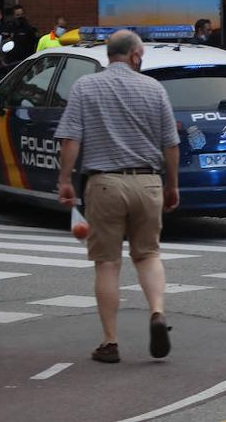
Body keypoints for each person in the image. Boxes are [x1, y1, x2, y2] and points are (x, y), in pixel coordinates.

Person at [55, 30, 181, 364]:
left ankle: (110, 342)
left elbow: (70, 138)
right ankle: (156, 312)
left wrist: (65, 180)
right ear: (136, 55)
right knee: (148, 254)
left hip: (105, 183)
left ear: (108, 55)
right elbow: (171, 143)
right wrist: (172, 185)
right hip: (147, 181)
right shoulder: (154, 89)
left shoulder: (85, 87)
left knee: (107, 263)